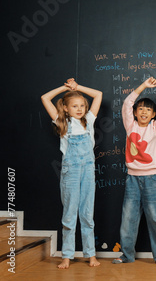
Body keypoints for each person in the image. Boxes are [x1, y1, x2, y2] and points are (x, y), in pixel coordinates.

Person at [112, 77, 156, 266]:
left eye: (148, 109)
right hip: (132, 178)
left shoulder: (155, 127)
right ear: (134, 113)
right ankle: (126, 255)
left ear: (153, 114)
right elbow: (127, 103)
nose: (143, 112)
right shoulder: (129, 126)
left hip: (153, 178)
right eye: (140, 108)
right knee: (128, 219)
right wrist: (143, 86)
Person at [41, 78, 102, 269]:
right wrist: (66, 88)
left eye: (82, 105)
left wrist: (77, 88)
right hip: (71, 171)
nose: (79, 108)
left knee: (87, 214)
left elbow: (98, 95)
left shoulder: (89, 121)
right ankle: (66, 256)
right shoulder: (62, 122)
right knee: (69, 214)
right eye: (74, 106)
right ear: (66, 108)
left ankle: (90, 254)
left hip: (88, 171)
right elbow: (45, 98)